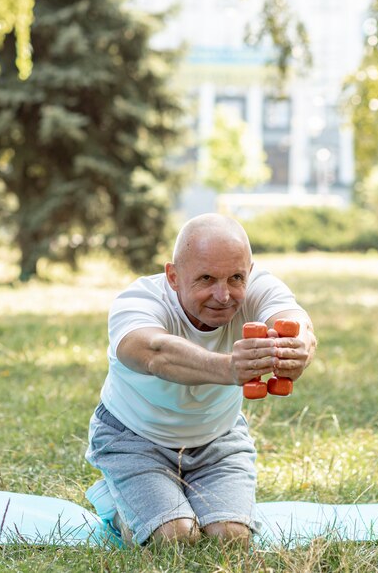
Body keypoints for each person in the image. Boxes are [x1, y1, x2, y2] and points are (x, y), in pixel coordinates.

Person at [85, 213, 316, 546]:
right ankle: (121, 499)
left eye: (236, 278)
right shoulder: (138, 301)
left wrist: (299, 349)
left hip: (217, 439)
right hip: (134, 439)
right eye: (206, 278)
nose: (223, 295)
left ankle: (173, 497)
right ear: (174, 276)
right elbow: (155, 352)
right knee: (175, 537)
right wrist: (228, 369)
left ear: (249, 272)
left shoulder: (257, 287)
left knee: (231, 538)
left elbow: (297, 322)